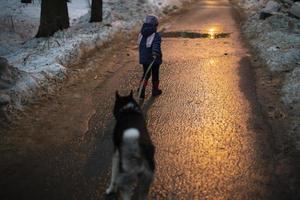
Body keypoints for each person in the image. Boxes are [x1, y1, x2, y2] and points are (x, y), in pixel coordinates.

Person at [138, 15, 163, 99]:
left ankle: (141, 89)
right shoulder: (156, 35)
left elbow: (141, 46)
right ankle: (155, 90)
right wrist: (155, 53)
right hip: (154, 59)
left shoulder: (141, 34)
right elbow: (156, 44)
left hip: (145, 59)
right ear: (155, 25)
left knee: (146, 74)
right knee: (155, 74)